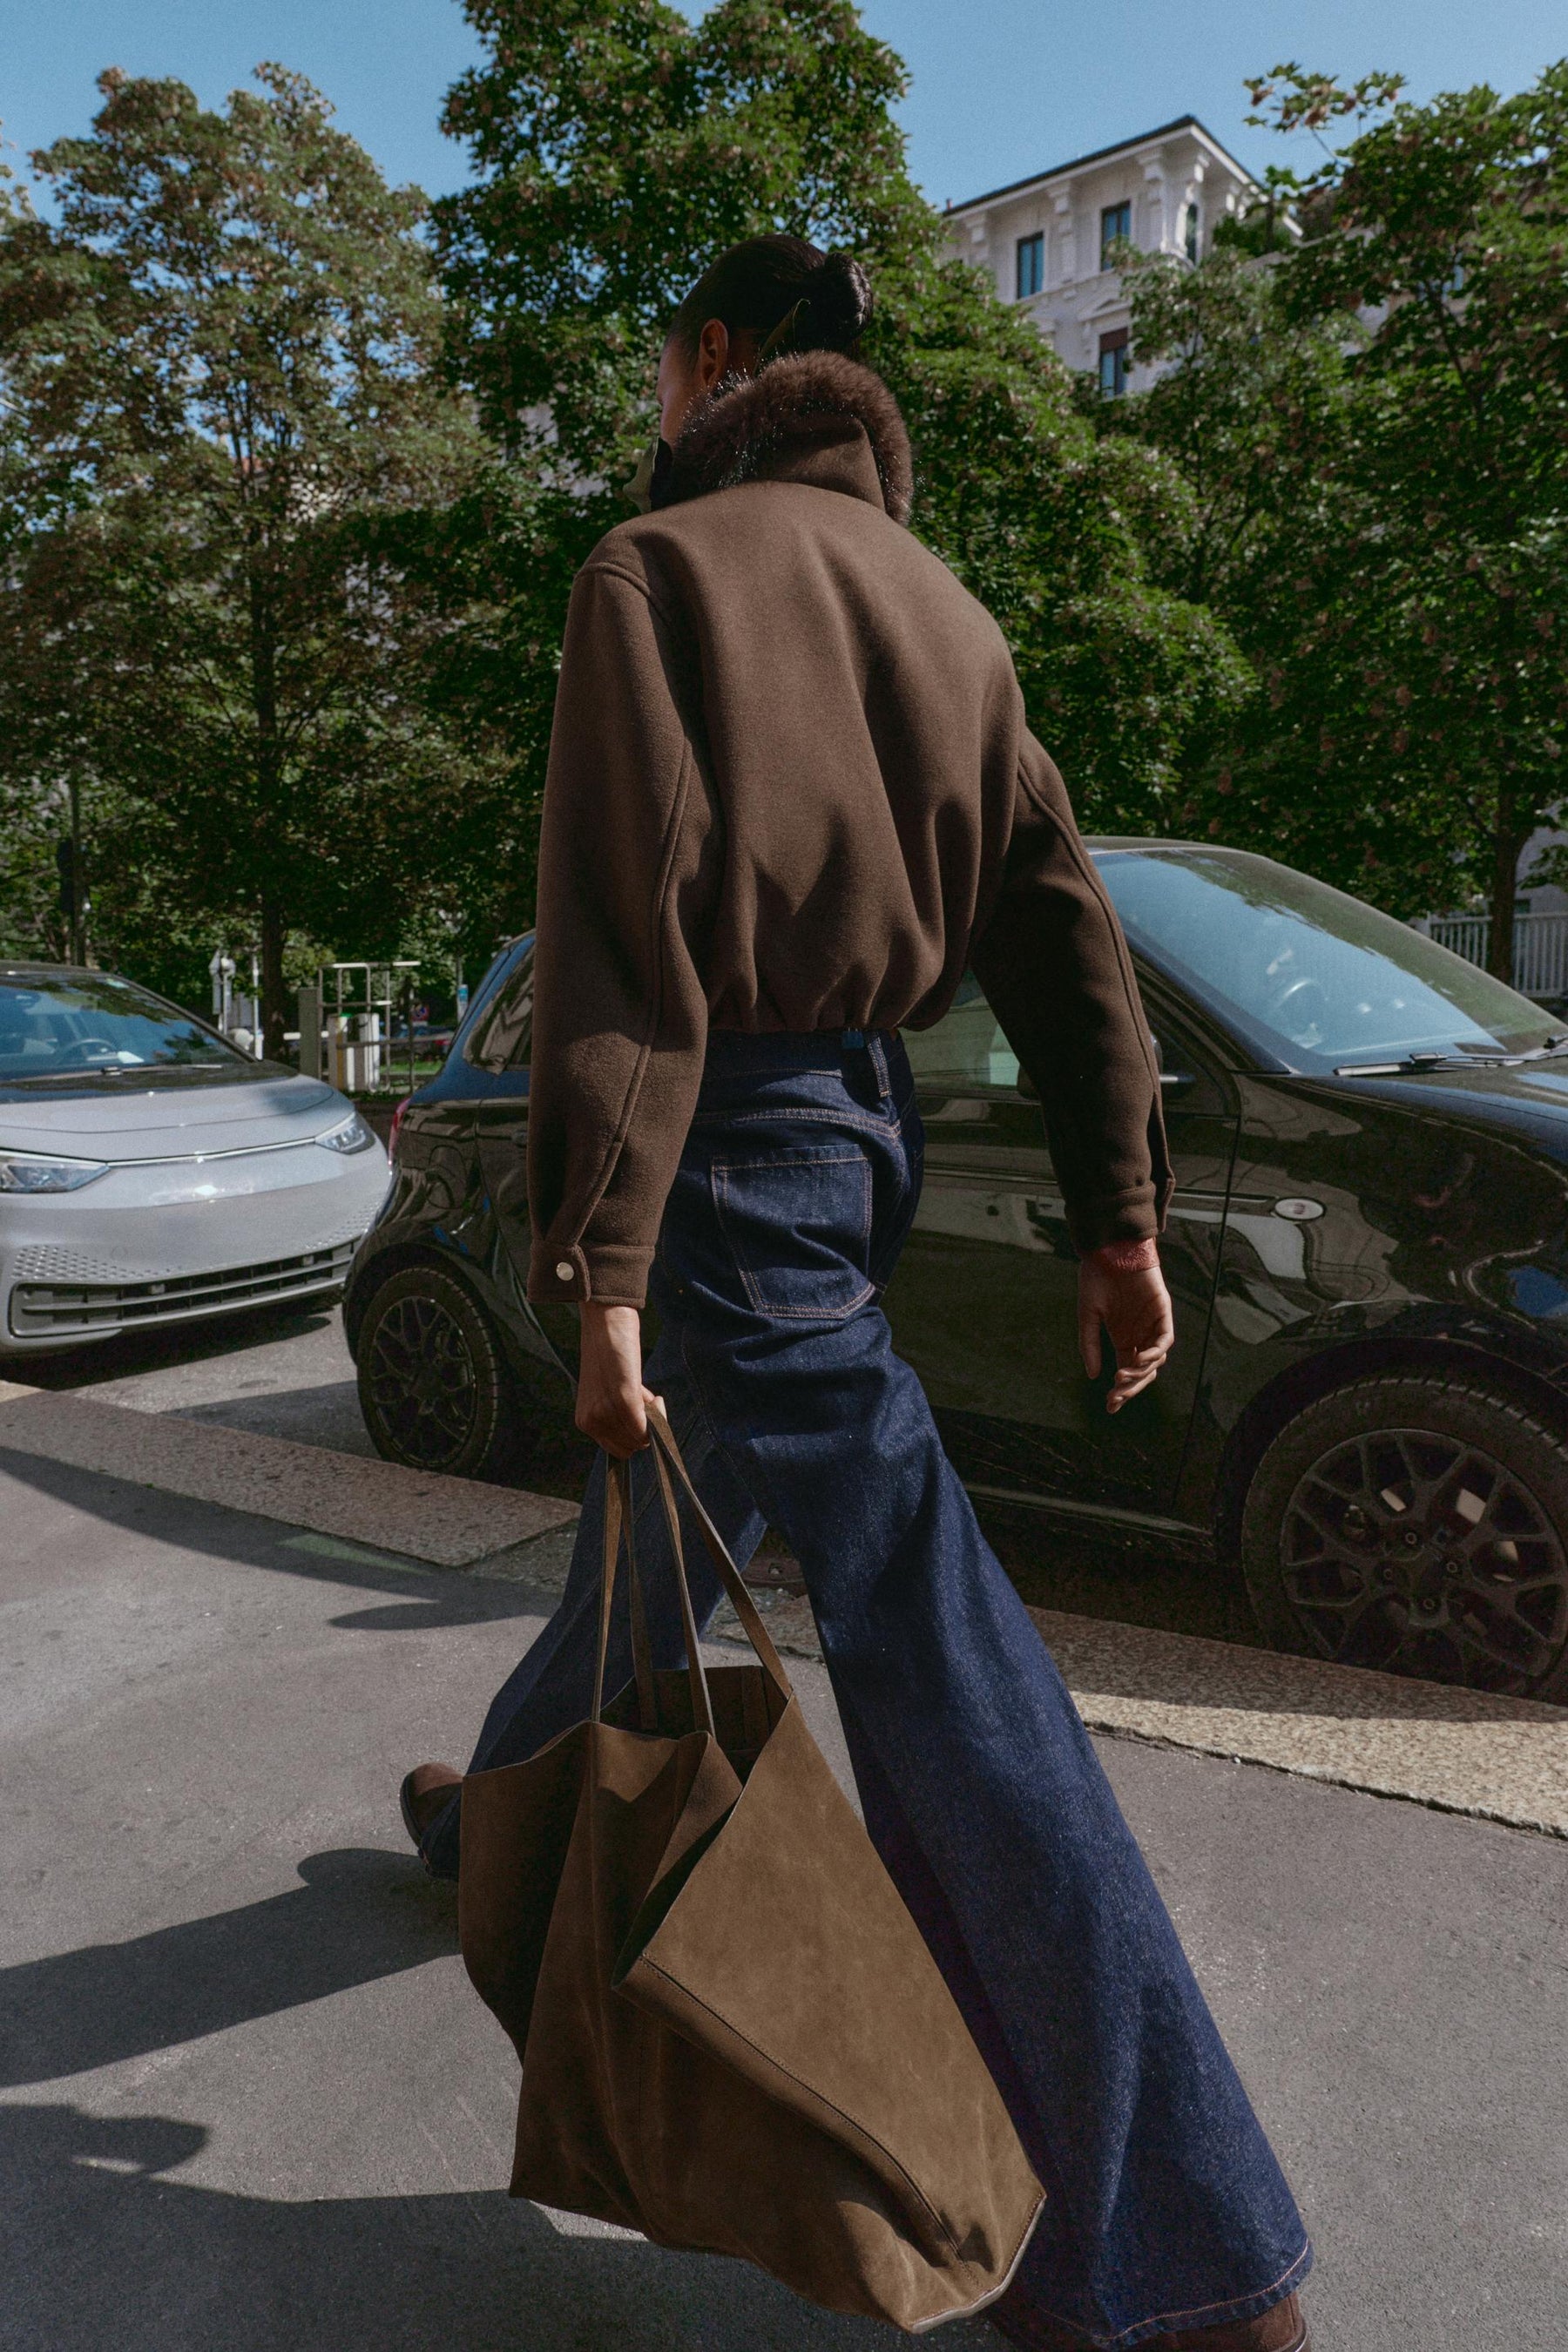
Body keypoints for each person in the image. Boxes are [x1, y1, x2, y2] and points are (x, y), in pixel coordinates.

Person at [401, 235, 1312, 2352]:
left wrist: (602, 1263)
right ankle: (502, 1824)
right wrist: (1119, 1225)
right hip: (853, 1136)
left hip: (723, 1149)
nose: (653, 399)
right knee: (662, 1527)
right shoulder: (949, 612)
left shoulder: (655, 570)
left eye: (660, 363)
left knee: (942, 1665)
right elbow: (1066, 937)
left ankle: (1182, 2253)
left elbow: (622, 931)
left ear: (714, 360)